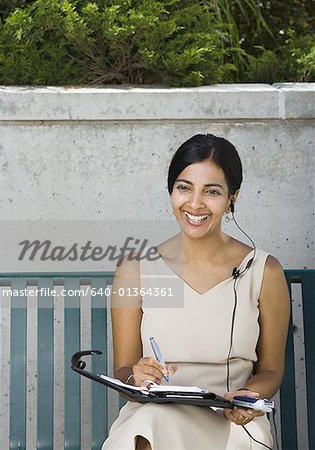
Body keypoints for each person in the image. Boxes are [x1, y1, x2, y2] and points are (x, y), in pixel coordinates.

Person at [102, 133, 290, 450]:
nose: (195, 203)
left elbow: (271, 370)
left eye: (212, 191)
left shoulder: (265, 271)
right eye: (184, 187)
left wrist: (249, 396)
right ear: (171, 191)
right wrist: (136, 376)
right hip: (156, 413)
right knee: (148, 427)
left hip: (233, 417)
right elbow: (123, 371)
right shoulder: (134, 269)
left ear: (233, 197)